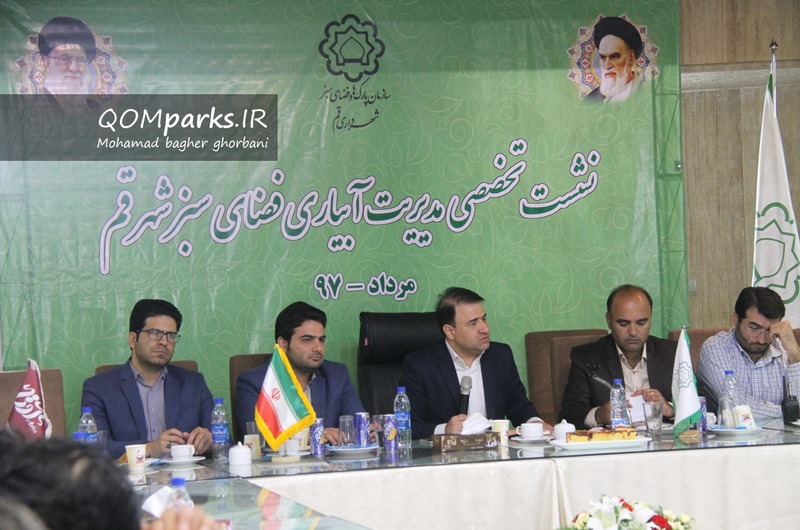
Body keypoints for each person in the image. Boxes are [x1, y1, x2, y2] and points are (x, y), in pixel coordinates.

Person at [400, 287, 548, 439]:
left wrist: (535, 423)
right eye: (473, 323)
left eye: (484, 319)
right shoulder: (421, 366)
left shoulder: (499, 356)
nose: (485, 329)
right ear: (450, 331)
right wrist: (445, 429)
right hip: (447, 452)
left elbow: (518, 406)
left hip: (494, 449)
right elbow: (408, 426)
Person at [81, 299, 214, 459]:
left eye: (171, 336)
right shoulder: (99, 388)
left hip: (186, 473)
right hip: (129, 475)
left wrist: (210, 441)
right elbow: (94, 448)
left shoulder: (193, 383)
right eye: (155, 333)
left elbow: (226, 441)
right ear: (133, 339)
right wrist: (149, 448)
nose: (164, 342)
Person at [236, 301, 365, 445]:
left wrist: (367, 431)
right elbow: (258, 438)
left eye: (321, 340)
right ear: (283, 344)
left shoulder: (337, 375)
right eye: (307, 340)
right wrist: (314, 435)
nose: (318, 348)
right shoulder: (255, 382)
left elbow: (357, 424)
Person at [559, 285, 677, 429]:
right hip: (613, 440)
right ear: (608, 320)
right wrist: (599, 415)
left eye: (641, 323)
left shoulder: (671, 353)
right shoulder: (587, 358)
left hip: (663, 440)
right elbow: (569, 414)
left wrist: (671, 409)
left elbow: (700, 403)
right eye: (623, 323)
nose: (633, 332)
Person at [697, 286, 800, 422]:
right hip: (735, 435)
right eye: (754, 328)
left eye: (769, 330)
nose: (761, 340)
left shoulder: (782, 348)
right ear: (736, 319)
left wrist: (793, 352)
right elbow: (737, 406)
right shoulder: (715, 348)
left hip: (785, 435)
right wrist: (789, 411)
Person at [585, 16, 643, 104]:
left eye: (614, 56)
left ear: (630, 57)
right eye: (603, 58)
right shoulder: (591, 100)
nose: (607, 65)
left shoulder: (647, 92)